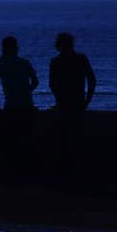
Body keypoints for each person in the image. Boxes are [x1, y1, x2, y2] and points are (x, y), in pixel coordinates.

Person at [49, 32, 96, 169]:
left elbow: (52, 84)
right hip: (78, 103)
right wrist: (88, 100)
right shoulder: (81, 59)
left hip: (63, 104)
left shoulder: (56, 62)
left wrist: (59, 98)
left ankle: (65, 168)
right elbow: (92, 80)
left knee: (64, 138)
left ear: (58, 45)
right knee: (77, 137)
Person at [0, 35, 39, 168]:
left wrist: (0, 61)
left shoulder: (3, 64)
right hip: (27, 105)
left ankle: (12, 167)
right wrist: (26, 92)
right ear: (16, 48)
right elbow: (35, 82)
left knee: (11, 139)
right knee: (27, 138)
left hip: (11, 106)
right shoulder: (25, 63)